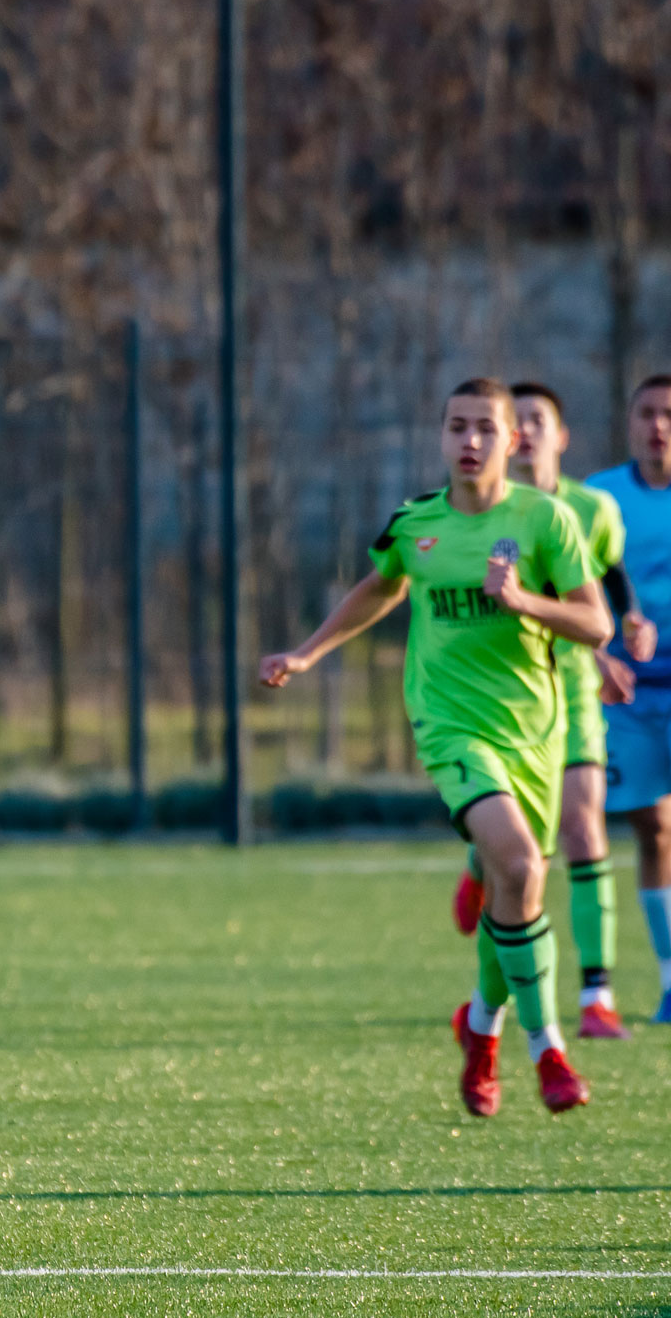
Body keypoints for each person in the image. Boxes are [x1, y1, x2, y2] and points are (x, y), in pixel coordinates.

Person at [260, 379, 609, 1116]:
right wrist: (308, 652)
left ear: (513, 441)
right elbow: (380, 586)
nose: (469, 441)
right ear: (442, 436)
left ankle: (479, 1026)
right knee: (517, 865)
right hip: (449, 725)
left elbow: (595, 624)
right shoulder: (416, 522)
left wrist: (523, 601)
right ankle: (548, 1049)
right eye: (456, 426)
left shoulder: (544, 520)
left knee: (518, 888)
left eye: (485, 427)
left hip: (534, 732)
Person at [447, 382, 654, 1039]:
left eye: (541, 419)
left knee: (585, 831)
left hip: (575, 690)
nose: (530, 431)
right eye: (522, 420)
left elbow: (607, 576)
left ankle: (597, 996)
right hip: (510, 695)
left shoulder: (591, 507)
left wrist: (628, 623)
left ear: (560, 436)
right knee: (523, 849)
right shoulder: (496, 517)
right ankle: (481, 863)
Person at [587, 374, 671, 1024]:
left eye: (668, 413)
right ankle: (670, 981)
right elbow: (571, 583)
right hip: (630, 693)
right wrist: (600, 649)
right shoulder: (599, 499)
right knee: (656, 827)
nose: (658, 425)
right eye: (647, 412)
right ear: (630, 420)